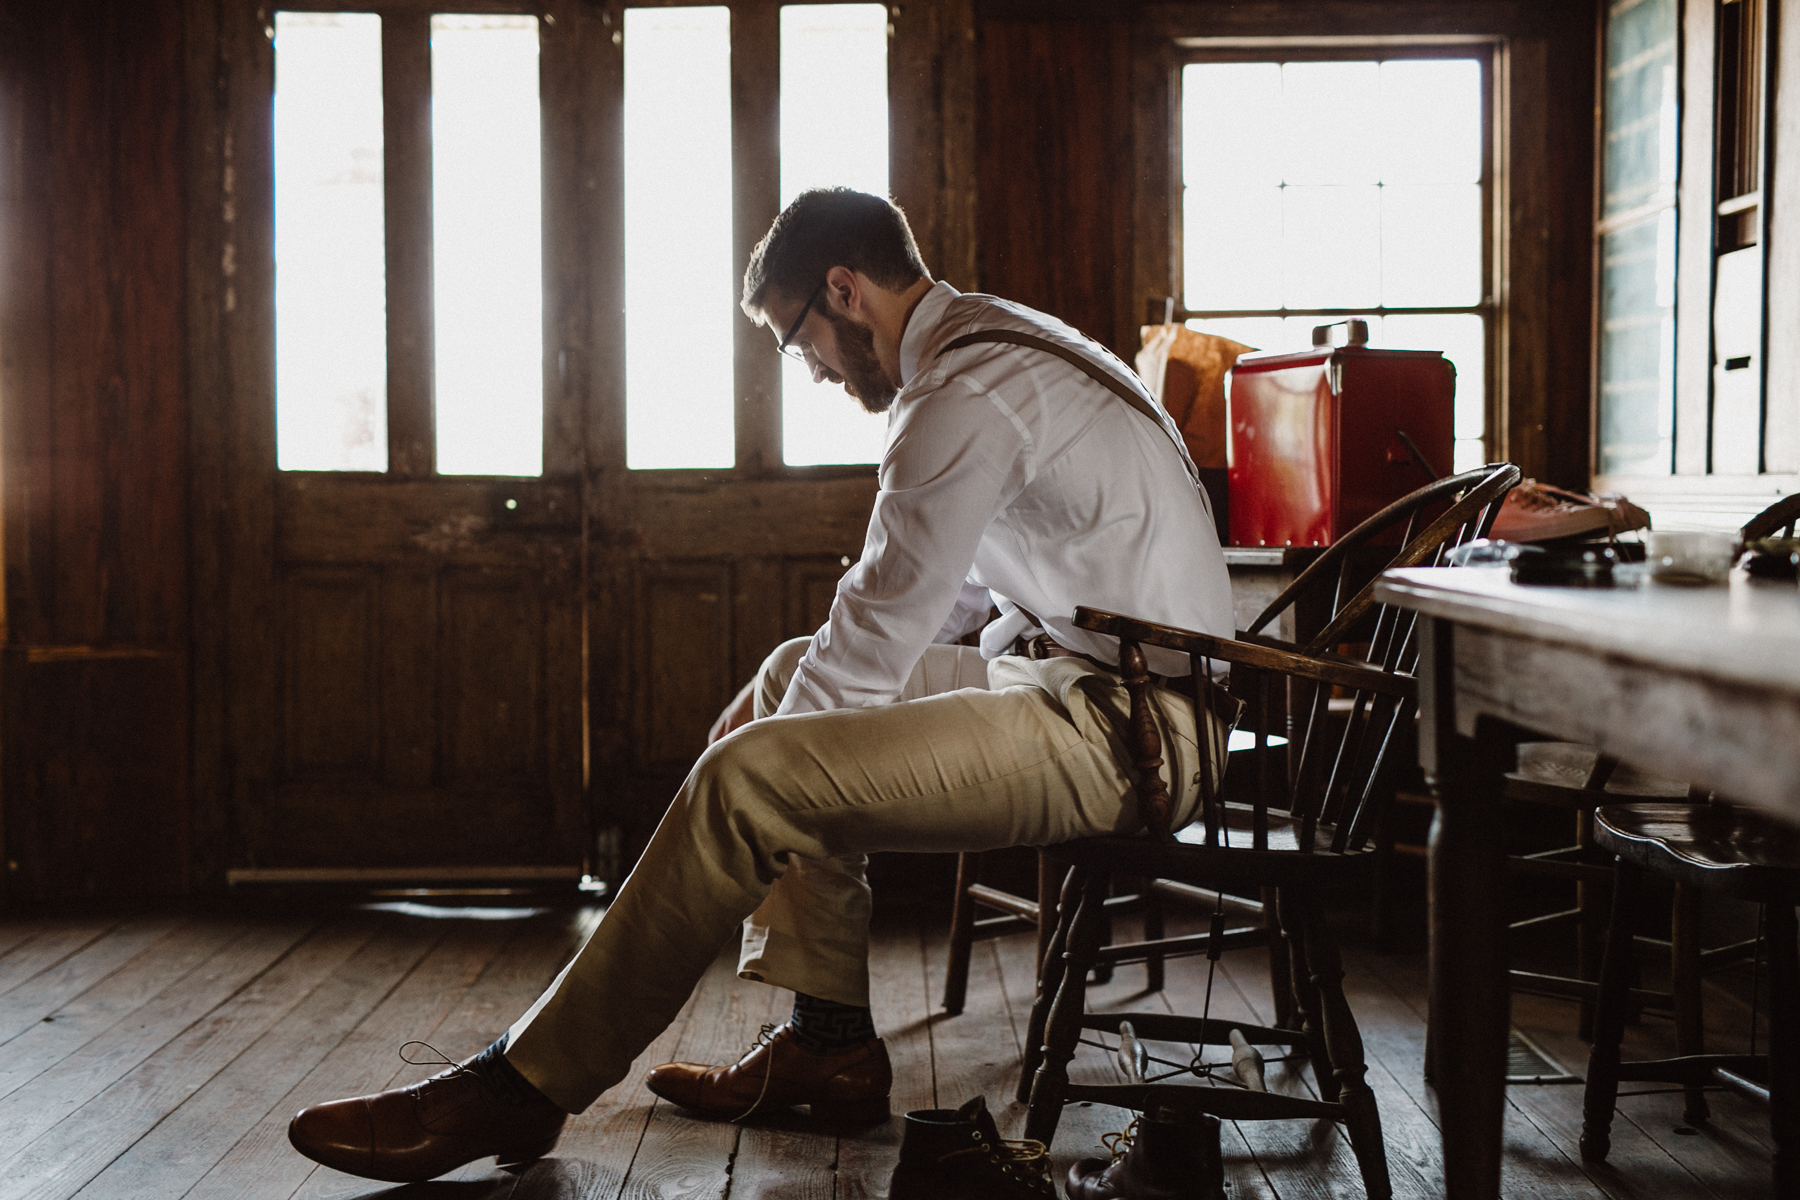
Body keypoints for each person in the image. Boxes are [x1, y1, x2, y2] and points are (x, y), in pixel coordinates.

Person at [285, 187, 1236, 1187]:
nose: (812, 370)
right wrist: (783, 706)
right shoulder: (992, 347)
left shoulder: (964, 389)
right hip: (1088, 686)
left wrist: (756, 753)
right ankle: (829, 1044)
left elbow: (884, 622)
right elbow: (948, 590)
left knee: (757, 774)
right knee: (792, 676)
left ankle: (524, 1083)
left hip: (1131, 732)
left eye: (798, 342)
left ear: (843, 289)